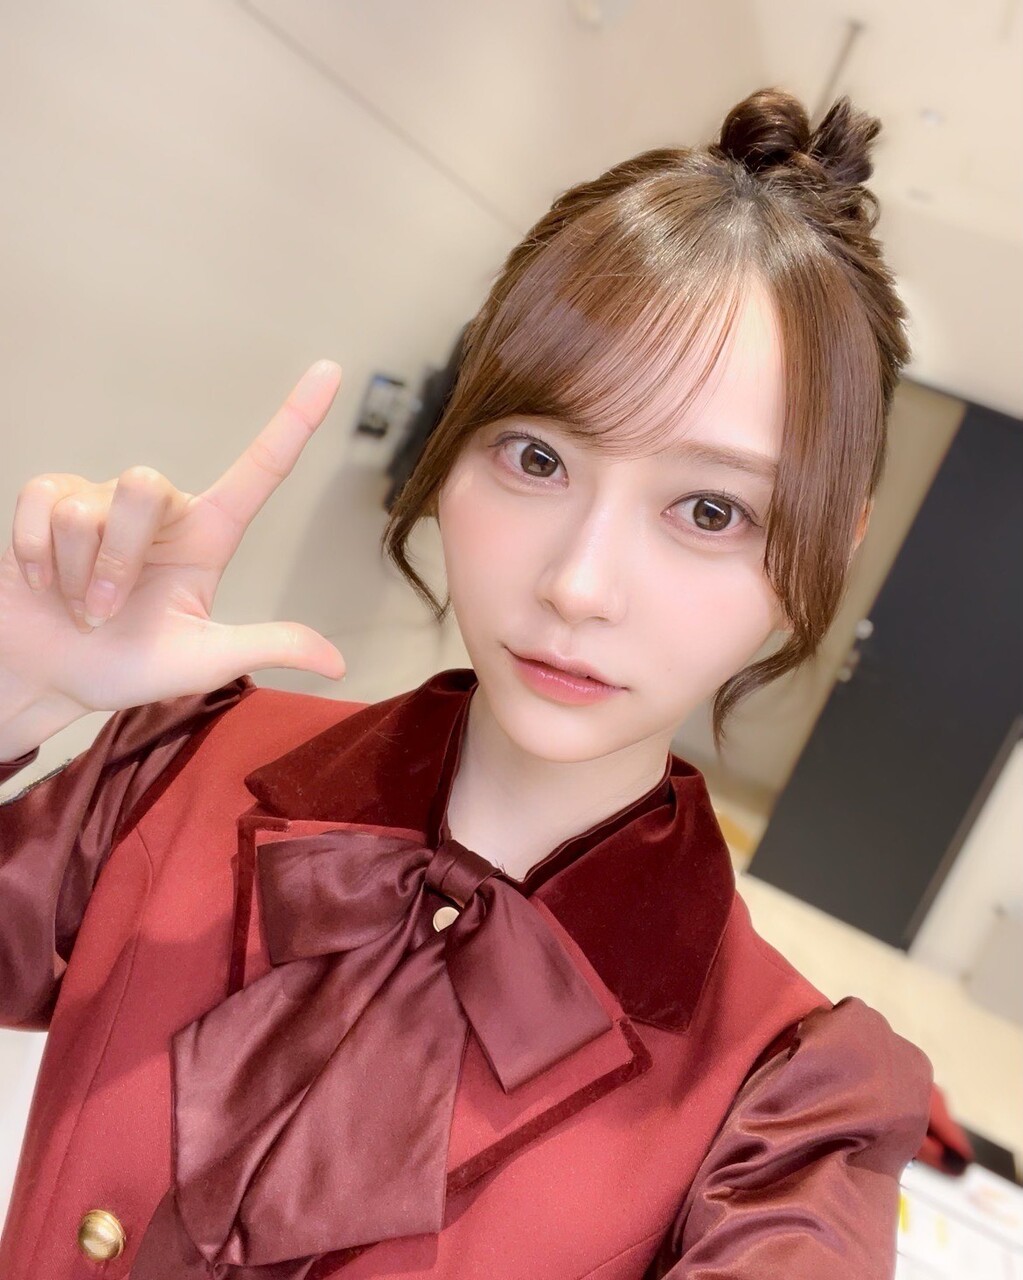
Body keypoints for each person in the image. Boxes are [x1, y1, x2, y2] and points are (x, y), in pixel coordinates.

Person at [0, 87, 932, 1279]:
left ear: (825, 555)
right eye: (537, 455)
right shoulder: (178, 764)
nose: (579, 584)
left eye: (710, 510)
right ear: (454, 452)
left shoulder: (783, 1108)